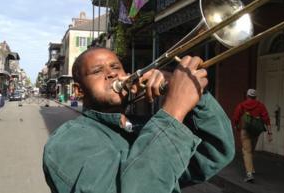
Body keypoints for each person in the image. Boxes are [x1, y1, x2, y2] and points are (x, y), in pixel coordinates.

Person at [43, 47, 235, 193]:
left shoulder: (143, 127)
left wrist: (194, 95)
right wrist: (174, 110)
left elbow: (216, 152)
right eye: (97, 71)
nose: (111, 73)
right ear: (79, 90)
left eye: (115, 66)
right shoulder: (68, 140)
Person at [232, 88, 272, 183]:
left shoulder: (242, 105)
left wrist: (236, 126)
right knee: (251, 150)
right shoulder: (260, 105)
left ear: (247, 96)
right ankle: (251, 168)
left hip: (245, 130)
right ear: (255, 96)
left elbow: (236, 117)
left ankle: (249, 173)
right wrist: (270, 133)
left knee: (247, 151)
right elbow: (266, 119)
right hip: (256, 131)